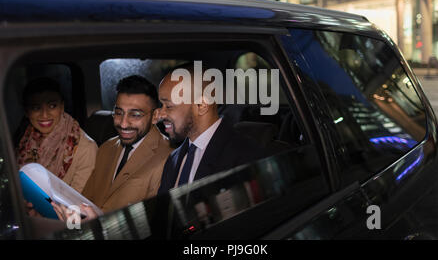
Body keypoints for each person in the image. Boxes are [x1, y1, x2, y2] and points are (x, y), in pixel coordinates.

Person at [53, 75, 172, 221]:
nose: (123, 124)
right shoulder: (107, 147)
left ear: (155, 116)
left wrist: (101, 226)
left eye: (135, 115)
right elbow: (84, 202)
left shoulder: (169, 157)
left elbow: (154, 225)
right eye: (118, 112)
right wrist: (63, 218)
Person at [157, 63, 267, 194]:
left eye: (168, 106)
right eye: (161, 105)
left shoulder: (244, 155)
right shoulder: (173, 159)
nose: (160, 114)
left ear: (202, 105)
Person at [16, 77, 97, 194]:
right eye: (36, 107)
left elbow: (78, 205)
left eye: (52, 106)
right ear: (27, 112)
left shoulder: (86, 148)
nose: (44, 115)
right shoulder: (22, 138)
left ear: (62, 107)